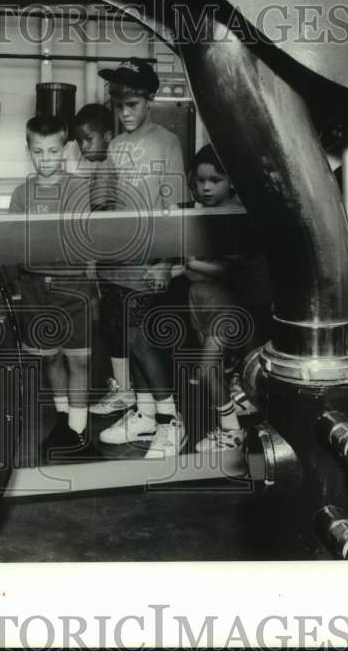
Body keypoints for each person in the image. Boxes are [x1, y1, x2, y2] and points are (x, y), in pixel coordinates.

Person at [95, 58, 191, 459]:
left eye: (132, 103)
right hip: (118, 262)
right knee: (122, 335)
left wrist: (166, 262)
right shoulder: (115, 147)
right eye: (118, 104)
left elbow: (176, 209)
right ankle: (146, 414)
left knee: (141, 338)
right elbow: (111, 209)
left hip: (150, 261)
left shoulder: (167, 142)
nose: (124, 112)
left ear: (149, 99)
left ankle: (173, 421)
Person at [9, 114, 99, 461]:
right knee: (51, 358)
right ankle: (64, 421)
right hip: (35, 287)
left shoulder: (78, 187)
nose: (46, 160)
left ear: (65, 149)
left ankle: (78, 432)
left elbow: (81, 242)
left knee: (78, 360)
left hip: (72, 286)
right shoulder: (20, 193)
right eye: (38, 152)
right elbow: (16, 246)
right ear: (28, 151)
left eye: (53, 151)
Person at [171, 144, 257, 454]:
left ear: (231, 181)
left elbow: (232, 269)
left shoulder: (235, 214)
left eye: (215, 180)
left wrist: (190, 263)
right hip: (200, 303)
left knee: (206, 371)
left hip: (225, 305)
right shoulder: (202, 211)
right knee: (215, 371)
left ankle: (232, 432)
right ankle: (237, 409)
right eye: (200, 180)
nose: (206, 187)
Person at [68, 102, 137, 416]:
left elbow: (99, 216)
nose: (84, 145)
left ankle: (125, 391)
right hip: (113, 257)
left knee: (114, 325)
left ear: (108, 136)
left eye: (89, 138)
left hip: (110, 258)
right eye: (80, 139)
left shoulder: (106, 165)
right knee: (113, 326)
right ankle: (124, 388)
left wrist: (92, 260)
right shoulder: (100, 164)